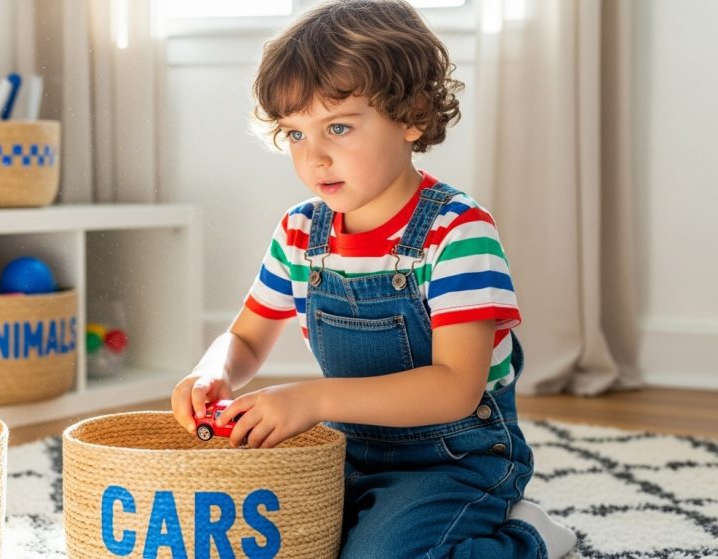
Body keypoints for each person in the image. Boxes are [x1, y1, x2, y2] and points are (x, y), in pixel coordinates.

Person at [171, 1, 578, 557]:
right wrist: (210, 371)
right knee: (258, 532)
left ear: (411, 114)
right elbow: (244, 338)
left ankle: (528, 536)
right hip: (348, 450)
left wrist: (311, 400)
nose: (314, 157)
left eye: (338, 127)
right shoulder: (298, 231)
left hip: (456, 457)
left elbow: (456, 388)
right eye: (294, 134)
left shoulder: (456, 232)